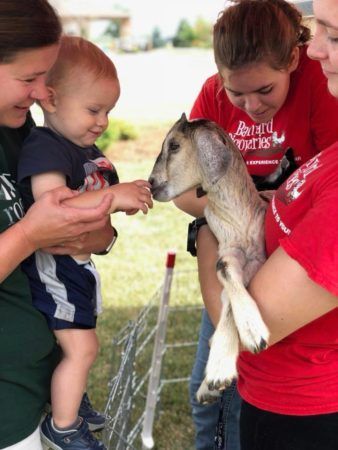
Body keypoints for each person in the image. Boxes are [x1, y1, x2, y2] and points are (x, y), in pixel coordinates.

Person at [172, 1, 338, 449]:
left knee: (240, 371)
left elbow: (322, 182)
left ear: (292, 59)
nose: (250, 106)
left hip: (283, 264)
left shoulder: (321, 90)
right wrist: (233, 214)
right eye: (235, 93)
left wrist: (238, 211)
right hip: (234, 246)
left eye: (264, 89)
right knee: (208, 393)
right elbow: (184, 187)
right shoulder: (211, 96)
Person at [17, 35, 152, 450]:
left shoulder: (82, 147)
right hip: (54, 267)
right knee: (83, 347)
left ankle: (70, 399)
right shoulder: (44, 146)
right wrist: (115, 196)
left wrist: (118, 201)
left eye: (108, 111)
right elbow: (52, 205)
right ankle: (62, 425)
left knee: (80, 341)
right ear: (52, 100)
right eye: (93, 109)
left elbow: (98, 210)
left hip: (77, 264)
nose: (103, 121)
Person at [0, 1, 118, 449]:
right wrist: (32, 233)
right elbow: (39, 226)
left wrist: (100, 234)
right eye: (29, 79)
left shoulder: (23, 128)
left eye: (45, 78)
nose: (40, 93)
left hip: (34, 384)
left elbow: (88, 230)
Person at [236, 0, 338, 447]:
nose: (313, 51)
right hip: (280, 395)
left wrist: (212, 229)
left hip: (305, 409)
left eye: (333, 36)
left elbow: (245, 326)